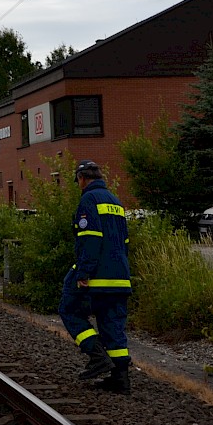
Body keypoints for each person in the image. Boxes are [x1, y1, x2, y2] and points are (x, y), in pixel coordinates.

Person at [58, 160, 133, 395]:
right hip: (120, 276)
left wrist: (83, 273)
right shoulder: (116, 202)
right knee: (112, 323)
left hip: (96, 276)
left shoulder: (88, 200)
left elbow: (90, 238)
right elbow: (125, 242)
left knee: (68, 309)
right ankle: (120, 378)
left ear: (81, 179)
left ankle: (96, 354)